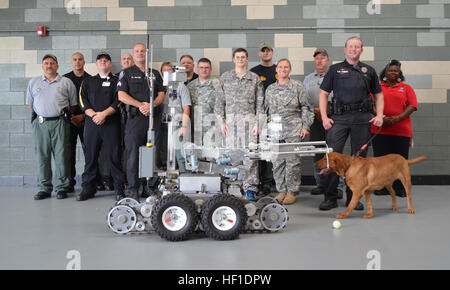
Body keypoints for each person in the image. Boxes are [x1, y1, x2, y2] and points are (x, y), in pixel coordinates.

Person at [318, 36, 384, 211]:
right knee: (332, 158)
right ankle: (330, 197)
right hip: (338, 119)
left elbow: (379, 95)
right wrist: (325, 117)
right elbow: (323, 94)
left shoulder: (368, 71)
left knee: (359, 160)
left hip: (362, 119)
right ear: (345, 49)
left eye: (357, 47)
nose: (354, 49)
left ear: (361, 50)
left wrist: (380, 115)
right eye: (350, 46)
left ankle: (353, 198)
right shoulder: (334, 69)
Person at [214, 48, 264, 201]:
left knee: (250, 159)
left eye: (243, 57)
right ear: (233, 60)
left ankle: (250, 189)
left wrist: (259, 123)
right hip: (230, 126)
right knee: (232, 158)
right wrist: (221, 122)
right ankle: (233, 188)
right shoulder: (226, 77)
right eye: (238, 57)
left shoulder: (254, 78)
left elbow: (260, 103)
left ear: (247, 59)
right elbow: (219, 103)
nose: (240, 59)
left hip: (250, 126)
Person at [117, 43, 166, 200]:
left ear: (147, 53)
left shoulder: (154, 74)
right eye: (137, 51)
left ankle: (149, 187)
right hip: (135, 120)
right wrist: (141, 105)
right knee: (133, 155)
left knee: (151, 154)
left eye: (142, 51)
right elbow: (121, 96)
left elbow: (161, 94)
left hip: (152, 119)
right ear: (133, 54)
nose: (140, 54)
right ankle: (133, 188)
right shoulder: (126, 73)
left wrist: (152, 106)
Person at [26, 54, 78, 200]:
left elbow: (73, 105)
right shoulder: (33, 82)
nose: (49, 65)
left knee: (62, 156)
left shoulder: (66, 82)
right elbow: (31, 105)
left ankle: (62, 187)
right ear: (42, 66)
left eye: (52, 63)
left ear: (57, 66)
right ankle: (44, 188)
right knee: (42, 156)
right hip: (40, 124)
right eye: (46, 63)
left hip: (60, 123)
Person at [78, 52, 126, 201]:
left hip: (111, 124)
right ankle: (88, 188)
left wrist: (104, 114)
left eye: (106, 60)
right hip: (92, 125)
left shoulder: (118, 81)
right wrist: (94, 115)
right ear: (96, 64)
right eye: (100, 61)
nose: (103, 62)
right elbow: (82, 101)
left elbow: (119, 101)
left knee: (114, 157)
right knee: (90, 157)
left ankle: (119, 189)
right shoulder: (87, 81)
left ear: (110, 64)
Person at [265, 59, 314, 205]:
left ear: (290, 70)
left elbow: (307, 107)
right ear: (276, 70)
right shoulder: (270, 89)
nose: (283, 69)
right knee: (278, 161)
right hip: (275, 129)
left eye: (286, 67)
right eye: (280, 67)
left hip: (293, 127)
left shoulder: (297, 86)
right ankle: (281, 190)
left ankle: (292, 191)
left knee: (292, 161)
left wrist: (306, 126)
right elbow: (266, 111)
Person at [372, 60, 418, 197]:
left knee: (400, 162)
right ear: (385, 73)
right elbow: (370, 104)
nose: (393, 72)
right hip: (380, 129)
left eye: (395, 71)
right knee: (380, 161)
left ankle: (400, 188)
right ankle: (381, 187)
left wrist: (397, 118)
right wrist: (381, 117)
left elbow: (412, 106)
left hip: (401, 130)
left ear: (400, 73)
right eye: (390, 70)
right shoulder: (377, 87)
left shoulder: (406, 88)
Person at [250, 42, 277, 196]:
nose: (266, 53)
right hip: (260, 117)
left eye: (268, 50)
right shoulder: (254, 72)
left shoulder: (278, 69)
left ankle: (278, 181)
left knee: (276, 148)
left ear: (272, 52)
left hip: (277, 118)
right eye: (263, 51)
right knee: (262, 149)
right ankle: (264, 182)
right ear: (259, 54)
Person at [63, 52, 91, 193]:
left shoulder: (91, 79)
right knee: (69, 152)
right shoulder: (64, 79)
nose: (77, 62)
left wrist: (83, 117)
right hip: (70, 122)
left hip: (87, 121)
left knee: (89, 152)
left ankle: (90, 181)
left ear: (84, 62)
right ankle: (69, 182)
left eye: (80, 59)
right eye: (75, 60)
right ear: (71, 62)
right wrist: (73, 117)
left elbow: (93, 102)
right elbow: (62, 101)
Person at [160, 62, 192, 172]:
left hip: (178, 124)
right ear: (161, 73)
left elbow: (186, 107)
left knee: (180, 154)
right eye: (165, 70)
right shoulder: (159, 88)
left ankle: (185, 178)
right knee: (165, 154)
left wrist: (184, 126)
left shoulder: (181, 87)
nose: (167, 73)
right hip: (164, 125)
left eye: (170, 70)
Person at [187, 58, 221, 147]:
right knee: (196, 156)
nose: (204, 70)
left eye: (207, 68)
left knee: (212, 155)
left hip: (212, 128)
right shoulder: (190, 86)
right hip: (195, 128)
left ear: (211, 69)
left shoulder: (218, 84)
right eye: (201, 67)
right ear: (197, 69)